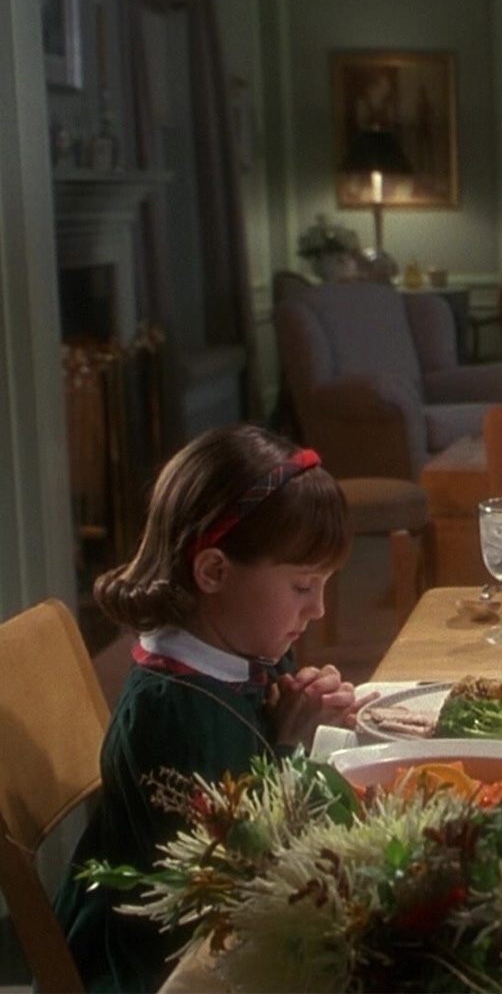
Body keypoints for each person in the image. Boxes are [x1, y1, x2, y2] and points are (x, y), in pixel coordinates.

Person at [54, 424, 368, 993]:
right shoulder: (173, 712)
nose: (318, 609)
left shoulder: (239, 644)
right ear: (214, 571)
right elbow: (239, 876)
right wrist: (293, 744)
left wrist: (304, 709)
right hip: (156, 964)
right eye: (303, 586)